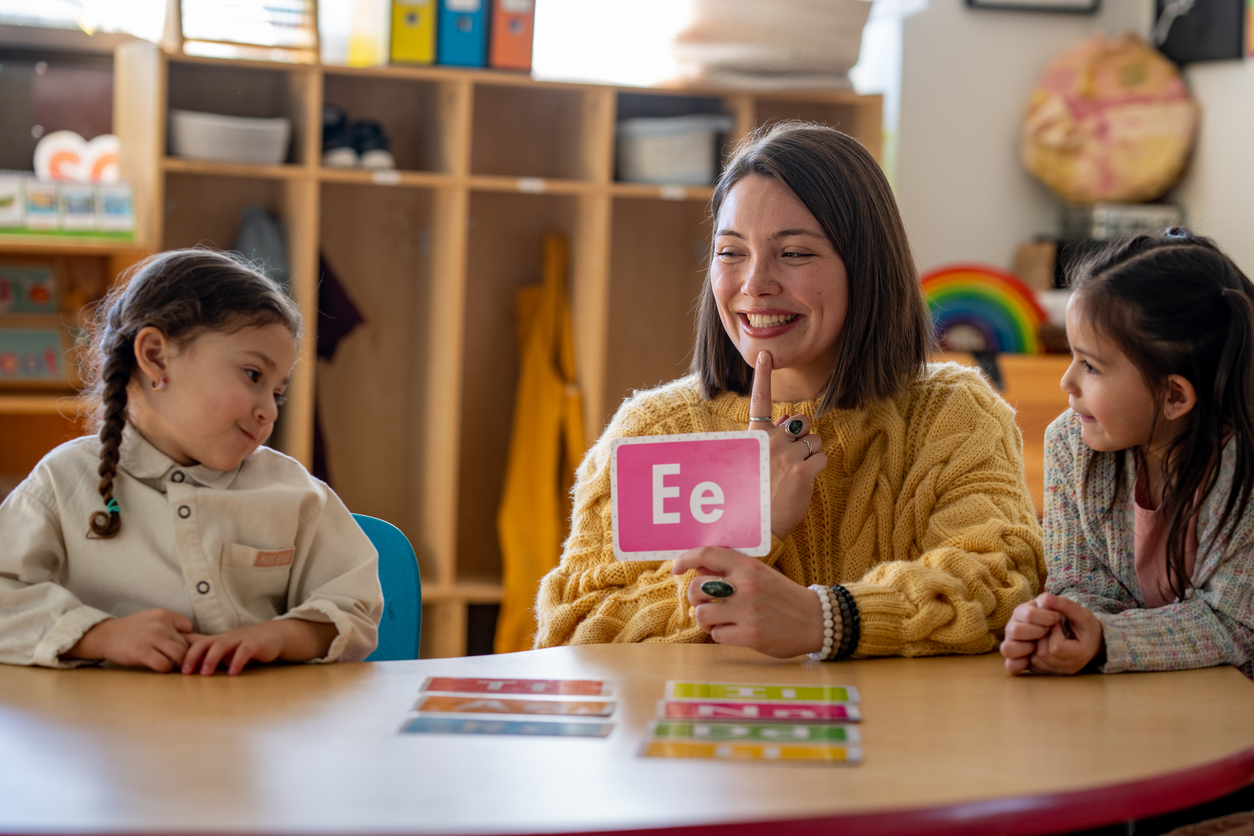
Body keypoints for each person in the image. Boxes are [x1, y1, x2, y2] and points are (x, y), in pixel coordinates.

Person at [533, 122, 1044, 659]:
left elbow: (1002, 582)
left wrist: (826, 619)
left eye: (795, 253)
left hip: (901, 737)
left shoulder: (951, 414)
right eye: (731, 253)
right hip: (703, 739)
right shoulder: (651, 430)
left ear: (865, 266)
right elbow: (576, 626)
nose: (755, 283)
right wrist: (746, 527)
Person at [0, 249, 382, 675]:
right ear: (156, 357)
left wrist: (282, 635)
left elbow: (355, 603)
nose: (270, 411)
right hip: (108, 731)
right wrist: (99, 635)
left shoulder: (293, 491)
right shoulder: (63, 481)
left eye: (277, 392)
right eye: (254, 375)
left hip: (250, 728)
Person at [1002, 230, 1254, 678]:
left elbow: (1234, 625)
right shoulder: (1072, 445)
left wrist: (1106, 640)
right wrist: (1062, 627)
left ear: (1174, 396)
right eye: (1071, 356)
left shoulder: (1243, 471)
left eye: (1091, 365)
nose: (1067, 383)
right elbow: (1080, 585)